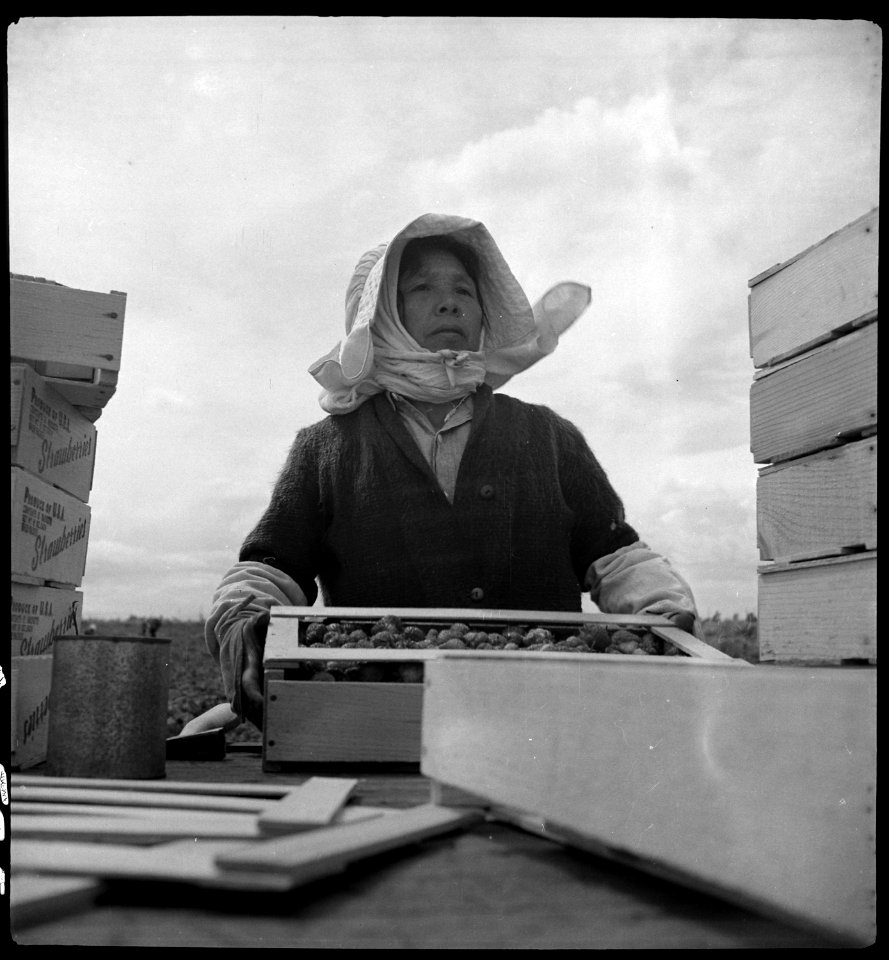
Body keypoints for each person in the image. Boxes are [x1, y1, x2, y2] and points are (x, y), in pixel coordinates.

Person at [203, 212, 702, 731]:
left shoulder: (548, 436)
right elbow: (270, 569)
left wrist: (663, 611)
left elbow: (616, 555)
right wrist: (244, 622)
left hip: (541, 721)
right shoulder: (326, 449)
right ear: (381, 316)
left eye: (464, 289)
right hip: (379, 721)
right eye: (422, 288)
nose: (450, 302)